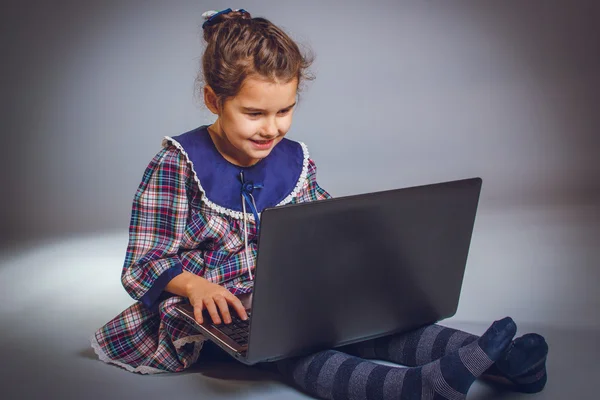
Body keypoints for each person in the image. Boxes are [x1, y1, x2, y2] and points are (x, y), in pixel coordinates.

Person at [91, 8, 548, 399]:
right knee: (301, 352)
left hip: (289, 298)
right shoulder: (177, 164)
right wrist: (196, 288)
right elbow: (142, 262)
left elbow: (318, 227)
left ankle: (505, 362)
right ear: (215, 100)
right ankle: (418, 390)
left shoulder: (294, 159)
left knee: (374, 324)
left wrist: (369, 252)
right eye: (254, 113)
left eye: (284, 110)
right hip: (217, 314)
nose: (271, 129)